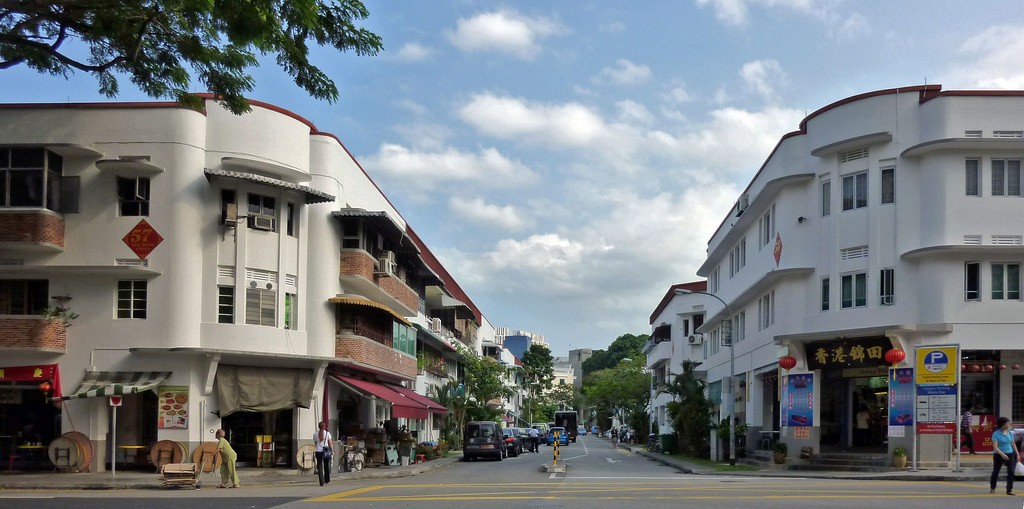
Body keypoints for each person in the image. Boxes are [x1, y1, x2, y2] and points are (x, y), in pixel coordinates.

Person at [990, 416, 1018, 495]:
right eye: (1006, 424)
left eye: (1008, 424)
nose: (1008, 425)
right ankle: (992, 487)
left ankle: (1009, 490)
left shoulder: (1009, 433)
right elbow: (995, 447)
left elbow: (1013, 444)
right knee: (996, 471)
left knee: (1011, 471)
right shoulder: (996, 434)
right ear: (1002, 425)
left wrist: (1017, 453)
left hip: (1010, 453)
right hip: (999, 454)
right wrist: (1002, 454)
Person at [313, 421, 333, 486]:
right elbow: (330, 443)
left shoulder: (315, 434)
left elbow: (315, 443)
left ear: (319, 427)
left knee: (319, 466)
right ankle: (327, 480)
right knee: (326, 466)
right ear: (324, 426)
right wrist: (332, 450)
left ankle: (321, 482)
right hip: (325, 451)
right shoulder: (327, 433)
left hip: (318, 451)